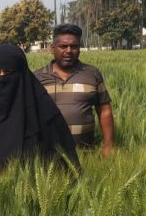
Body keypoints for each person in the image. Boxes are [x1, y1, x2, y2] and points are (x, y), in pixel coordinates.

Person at [0, 43, 79, 168]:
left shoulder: (45, 115)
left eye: (8, 72)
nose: (2, 78)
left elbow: (64, 163)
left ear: (23, 74)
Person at [34, 24, 115, 157]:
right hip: (49, 156)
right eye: (63, 46)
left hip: (86, 155)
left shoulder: (92, 74)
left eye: (74, 46)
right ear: (52, 48)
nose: (69, 51)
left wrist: (108, 146)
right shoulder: (37, 77)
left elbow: (104, 110)